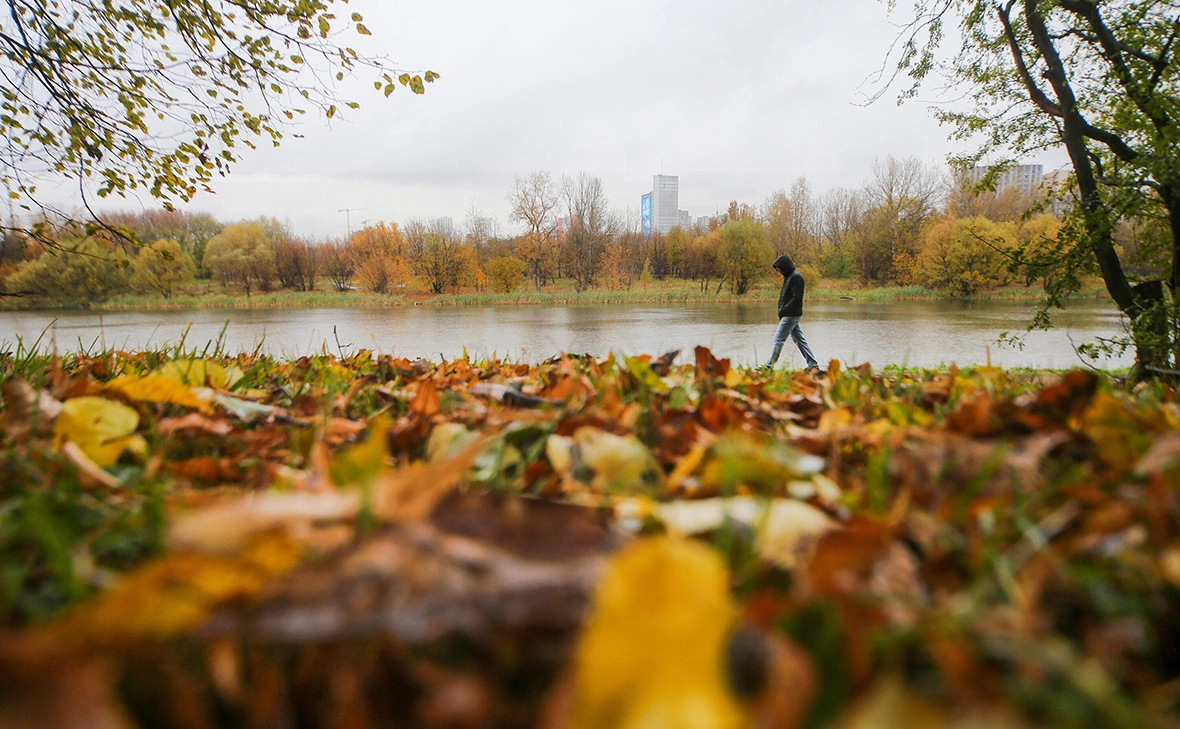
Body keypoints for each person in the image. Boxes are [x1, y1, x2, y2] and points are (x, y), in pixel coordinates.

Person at [763, 254, 820, 372]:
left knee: (779, 339)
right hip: (791, 314)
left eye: (778, 268)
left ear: (784, 266)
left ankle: (768, 367)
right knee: (799, 340)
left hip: (791, 314)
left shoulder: (796, 277)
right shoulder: (790, 276)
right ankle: (813, 365)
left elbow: (796, 298)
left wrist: (784, 310)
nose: (777, 271)